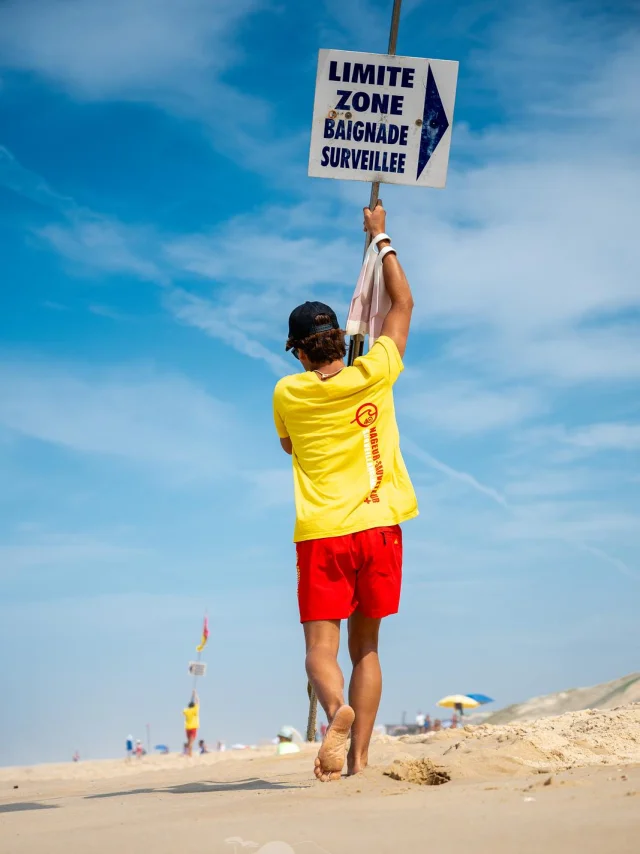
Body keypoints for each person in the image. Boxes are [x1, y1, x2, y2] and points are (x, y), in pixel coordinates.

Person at [273, 201, 417, 782]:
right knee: (369, 648)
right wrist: (381, 238)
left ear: (302, 351)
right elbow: (402, 305)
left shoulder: (288, 394)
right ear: (339, 338)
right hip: (379, 526)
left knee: (320, 649)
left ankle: (336, 713)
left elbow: (289, 449)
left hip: (323, 535)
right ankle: (359, 760)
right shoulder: (376, 370)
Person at [183, 689, 199, 757]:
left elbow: (187, 708)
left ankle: (189, 753)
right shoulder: (195, 710)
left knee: (189, 742)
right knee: (191, 742)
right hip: (193, 727)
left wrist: (192, 696)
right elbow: (198, 701)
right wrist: (195, 694)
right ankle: (189, 754)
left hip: (187, 728)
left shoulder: (186, 711)